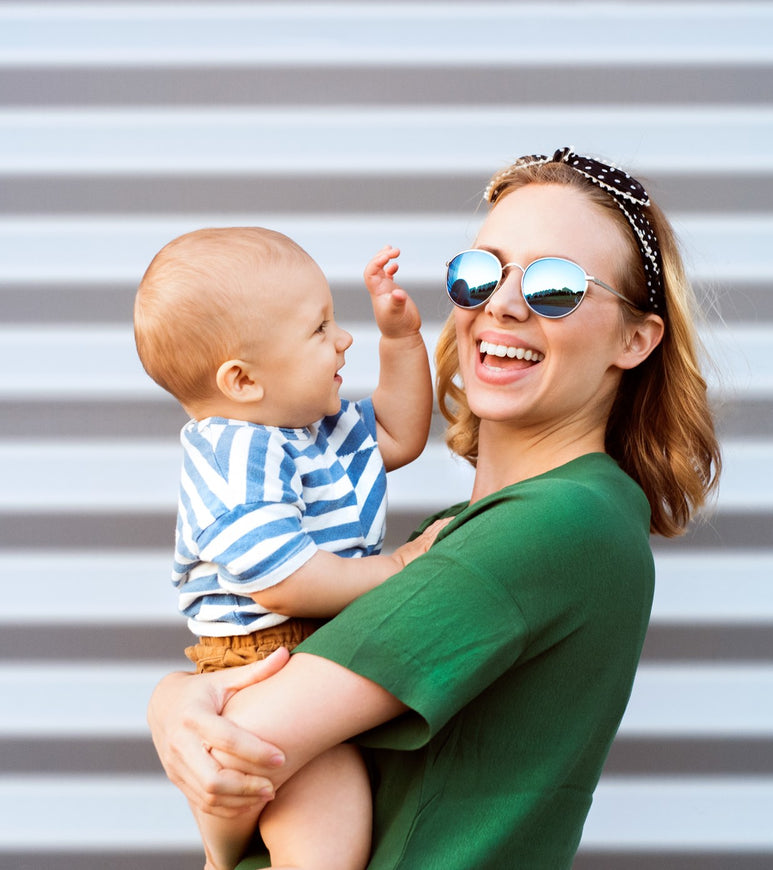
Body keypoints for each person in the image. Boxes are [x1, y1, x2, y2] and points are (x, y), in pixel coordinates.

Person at [147, 148, 721, 869]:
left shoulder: (559, 522)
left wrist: (174, 705)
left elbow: (243, 748)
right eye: (481, 272)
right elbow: (235, 785)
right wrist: (178, 705)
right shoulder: (463, 533)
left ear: (636, 338)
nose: (502, 305)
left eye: (554, 286)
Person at [134, 226, 444, 870]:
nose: (343, 339)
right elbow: (282, 579)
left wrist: (401, 341)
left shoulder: (314, 431)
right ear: (243, 380)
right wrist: (399, 569)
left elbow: (399, 431)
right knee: (329, 839)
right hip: (267, 659)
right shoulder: (234, 452)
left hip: (308, 650)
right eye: (319, 328)